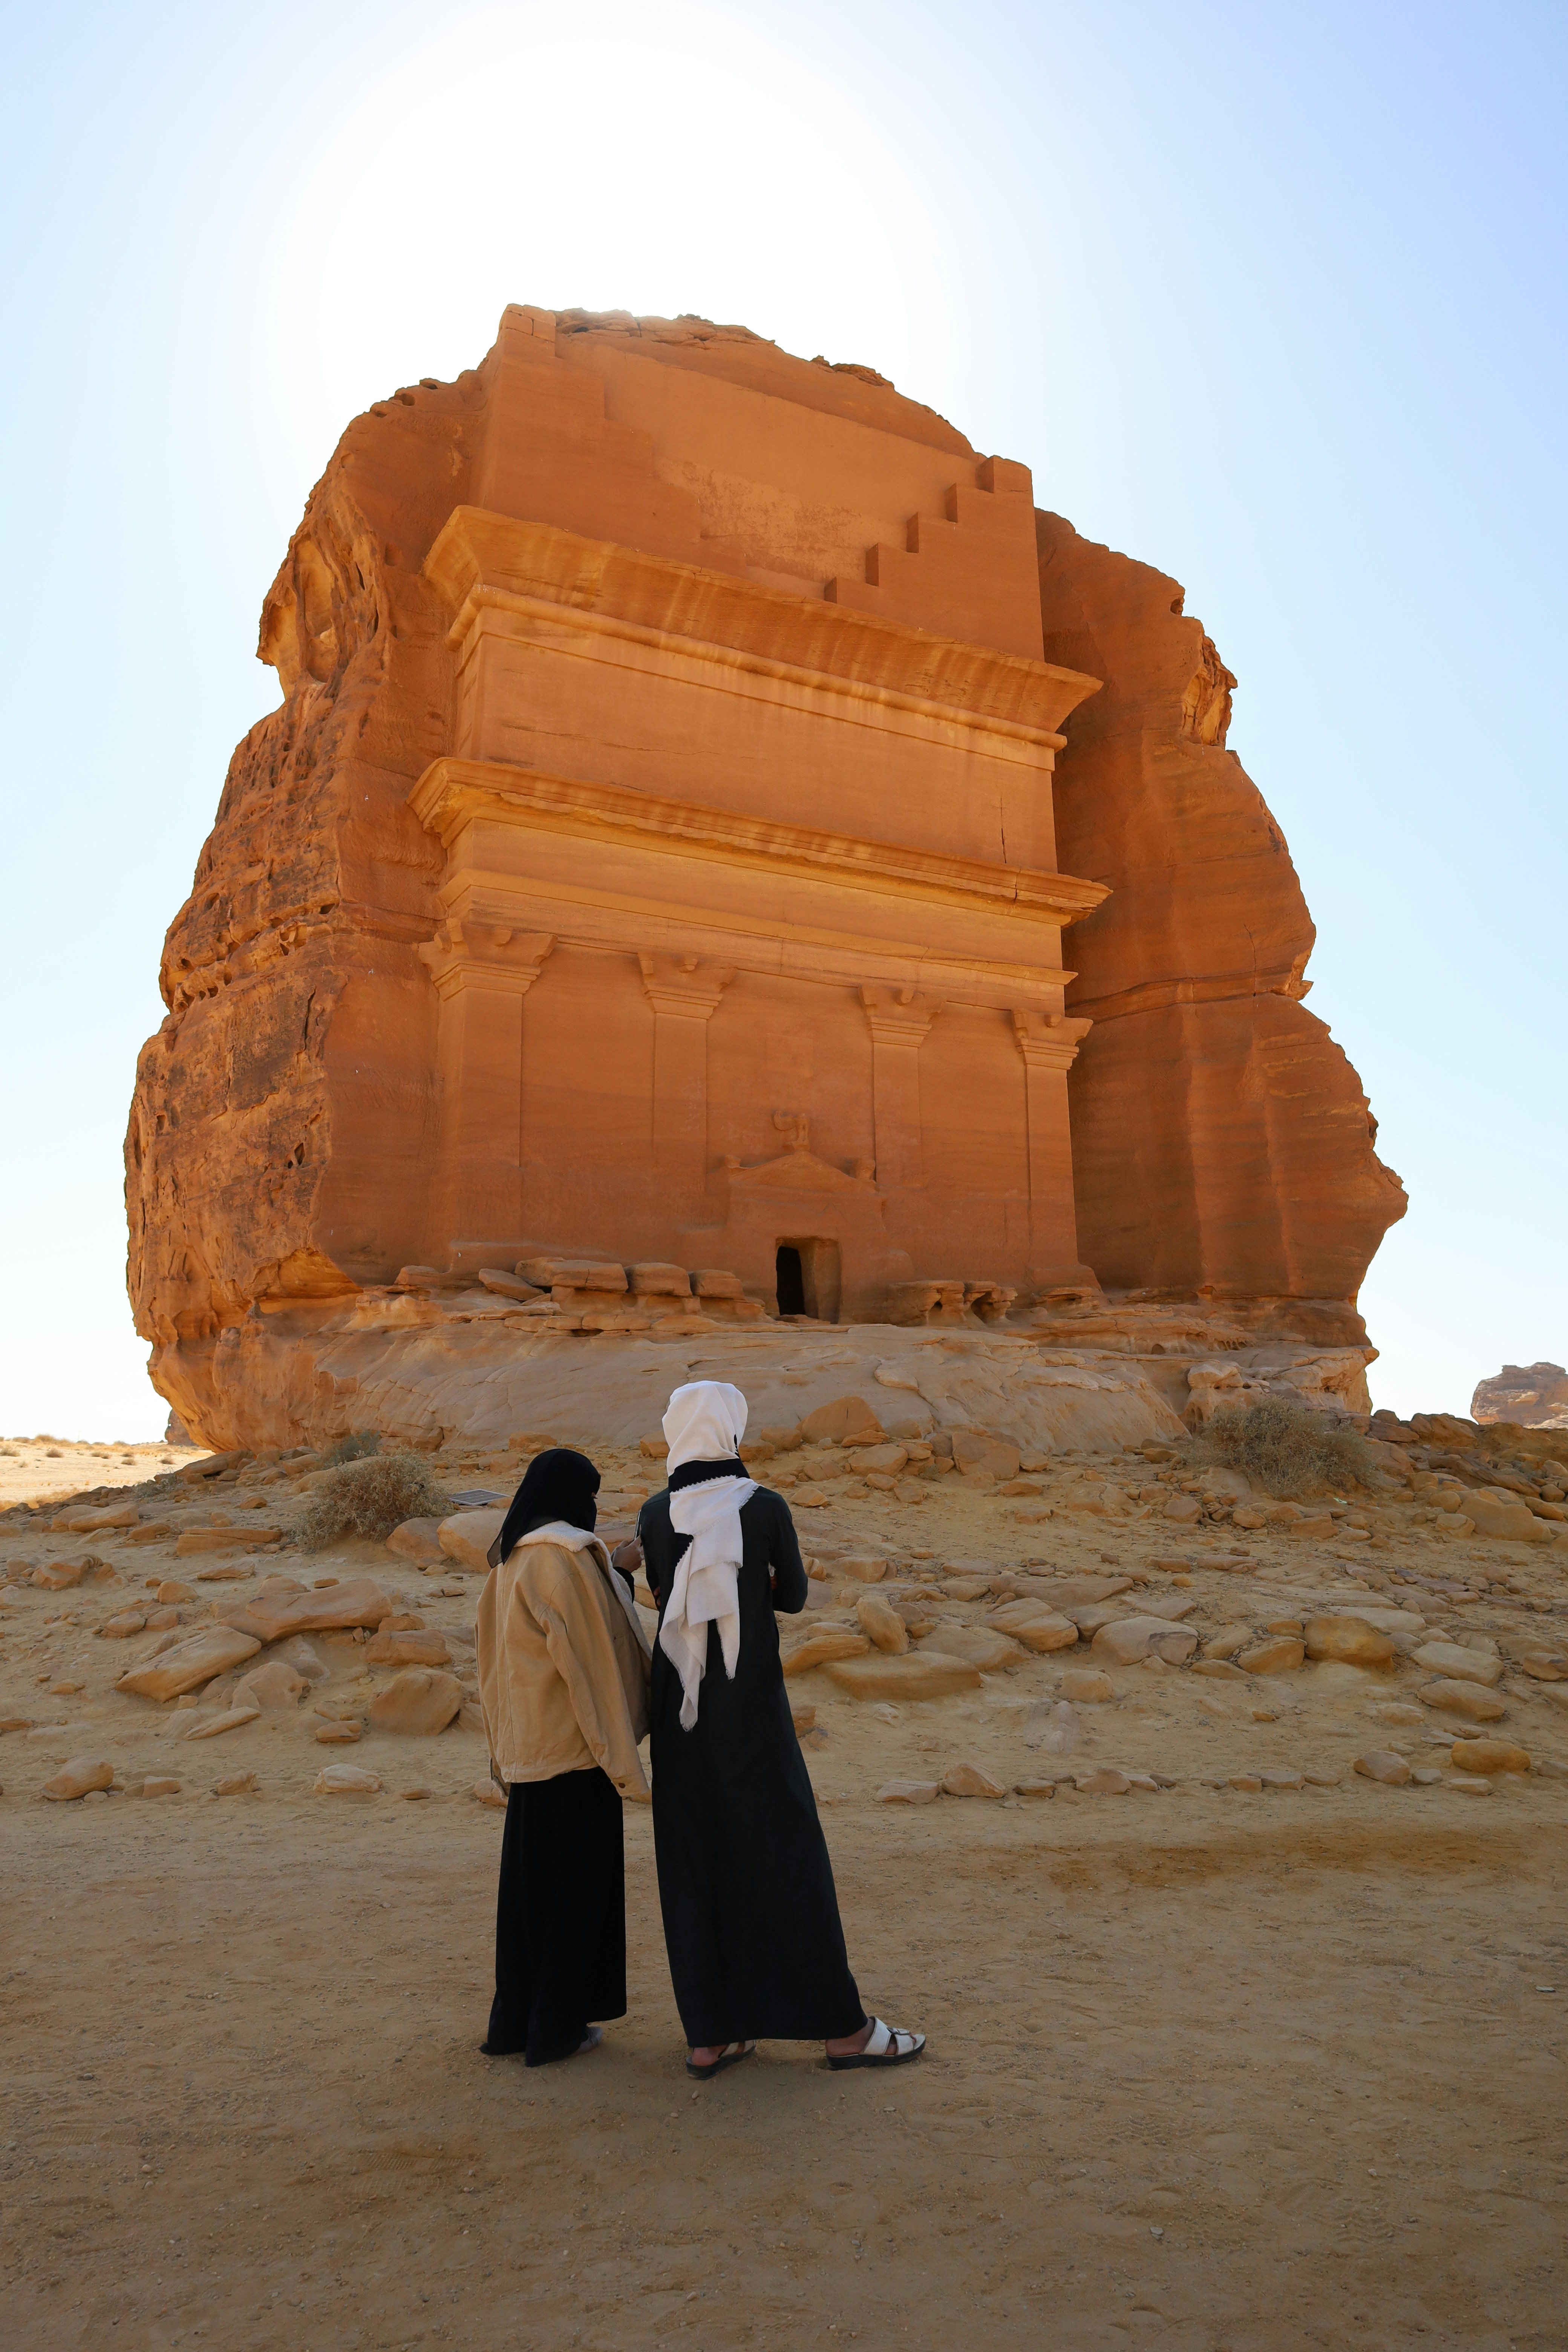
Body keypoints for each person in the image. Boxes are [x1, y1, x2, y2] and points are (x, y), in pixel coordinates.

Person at [631, 1380, 925, 2078]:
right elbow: (792, 1596)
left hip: (682, 1716)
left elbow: (662, 1596)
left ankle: (712, 2034)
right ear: (731, 1430)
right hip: (752, 1712)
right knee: (788, 1856)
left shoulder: (652, 1512)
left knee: (695, 1861)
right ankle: (844, 2032)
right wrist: (752, 1583)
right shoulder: (762, 1508)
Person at [475, 1446, 651, 2067]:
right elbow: (590, 1663)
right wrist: (625, 1764)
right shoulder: (565, 1560)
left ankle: (514, 2027)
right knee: (575, 1899)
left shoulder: (510, 1562)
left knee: (529, 1902)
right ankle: (556, 2030)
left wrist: (618, 1572)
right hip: (576, 1758)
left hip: (529, 1755)